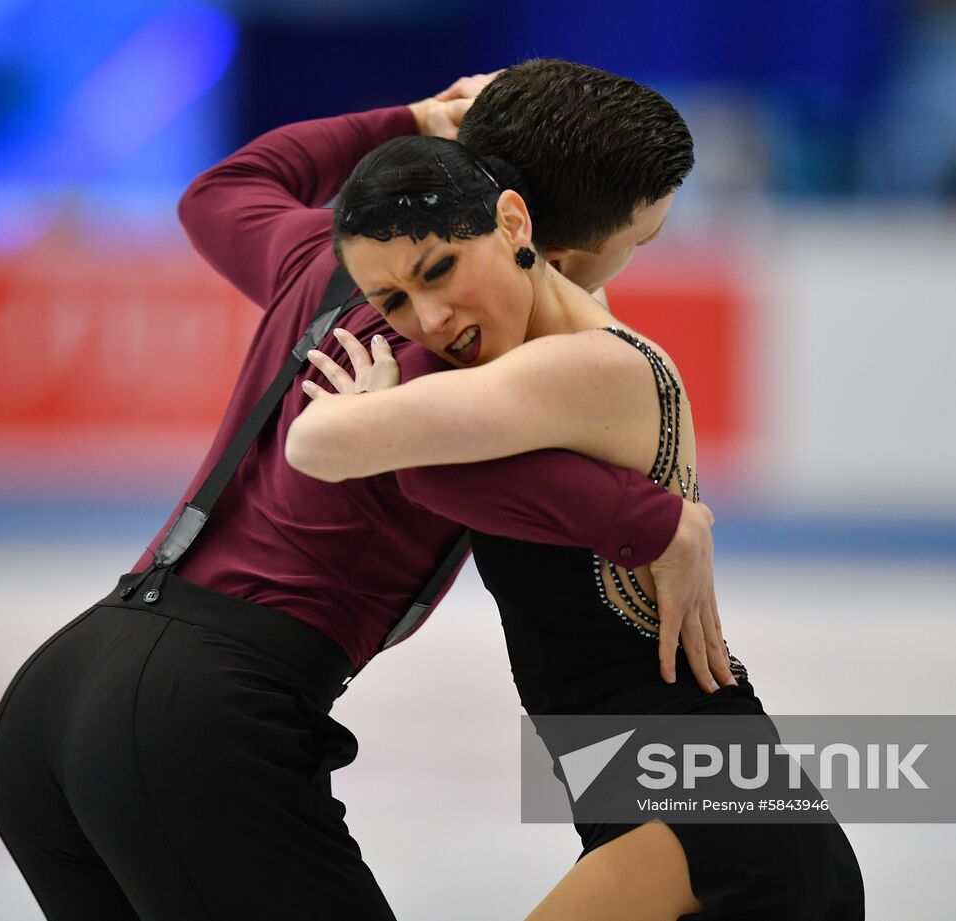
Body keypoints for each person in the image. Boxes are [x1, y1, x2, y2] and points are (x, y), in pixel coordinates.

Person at [0, 67, 733, 921]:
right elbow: (420, 461)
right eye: (639, 239)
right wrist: (658, 519)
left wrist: (410, 116)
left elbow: (220, 193)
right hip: (198, 714)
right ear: (547, 241)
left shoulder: (326, 263)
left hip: (64, 691)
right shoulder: (458, 348)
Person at [285, 133, 866, 919]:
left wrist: (370, 406)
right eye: (392, 303)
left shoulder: (587, 367)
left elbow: (319, 444)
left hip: (714, 821)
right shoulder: (553, 357)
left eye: (440, 271)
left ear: (516, 224)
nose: (427, 318)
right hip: (697, 812)